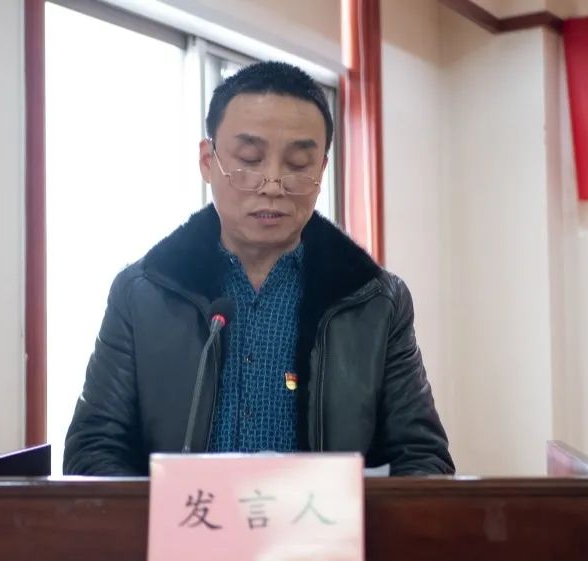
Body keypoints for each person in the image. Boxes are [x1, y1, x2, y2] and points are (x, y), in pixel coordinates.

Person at [63, 61, 454, 476]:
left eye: (298, 164)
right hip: (187, 519)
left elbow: (424, 459)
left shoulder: (376, 301)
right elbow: (92, 451)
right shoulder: (141, 292)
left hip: (320, 520)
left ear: (322, 170)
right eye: (249, 159)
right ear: (207, 161)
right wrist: (168, 513)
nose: (272, 184)